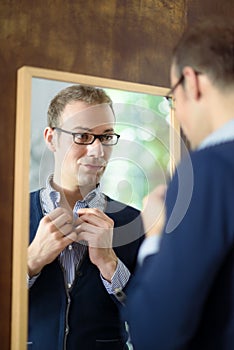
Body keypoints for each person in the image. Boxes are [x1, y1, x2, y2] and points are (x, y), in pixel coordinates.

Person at [124, 18, 234, 350]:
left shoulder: (208, 170)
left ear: (192, 81)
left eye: (173, 98)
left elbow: (155, 334)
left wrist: (156, 235)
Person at [27, 84, 144, 350]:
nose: (98, 151)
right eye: (82, 136)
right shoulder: (9, 215)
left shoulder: (137, 223)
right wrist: (30, 262)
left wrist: (110, 265)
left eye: (106, 137)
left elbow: (156, 318)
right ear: (51, 138)